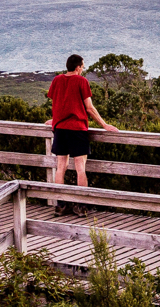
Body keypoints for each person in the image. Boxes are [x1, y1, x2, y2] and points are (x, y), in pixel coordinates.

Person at [46, 54, 118, 215]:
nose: (83, 70)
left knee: (60, 168)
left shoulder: (57, 80)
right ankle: (81, 205)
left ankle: (60, 204)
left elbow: (58, 102)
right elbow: (89, 108)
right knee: (80, 168)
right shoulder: (81, 81)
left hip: (60, 129)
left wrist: (56, 119)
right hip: (77, 129)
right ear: (78, 67)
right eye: (83, 67)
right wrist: (104, 124)